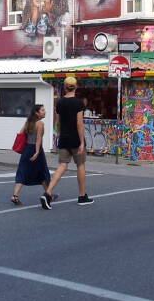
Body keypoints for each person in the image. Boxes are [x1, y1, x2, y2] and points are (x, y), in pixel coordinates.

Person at [40, 76, 93, 209]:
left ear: (64, 87)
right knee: (80, 165)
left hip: (63, 138)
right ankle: (82, 196)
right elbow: (79, 123)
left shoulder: (59, 102)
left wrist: (58, 135)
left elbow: (57, 121)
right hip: (75, 138)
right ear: (76, 87)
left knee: (62, 166)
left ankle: (47, 193)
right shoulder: (78, 103)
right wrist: (82, 142)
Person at [11, 105, 55, 205]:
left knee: (22, 171)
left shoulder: (29, 122)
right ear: (37, 112)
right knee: (43, 172)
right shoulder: (40, 123)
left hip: (27, 149)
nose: (45, 111)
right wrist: (37, 152)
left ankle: (15, 196)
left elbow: (21, 133)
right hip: (36, 149)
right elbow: (38, 139)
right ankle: (49, 194)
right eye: (42, 110)